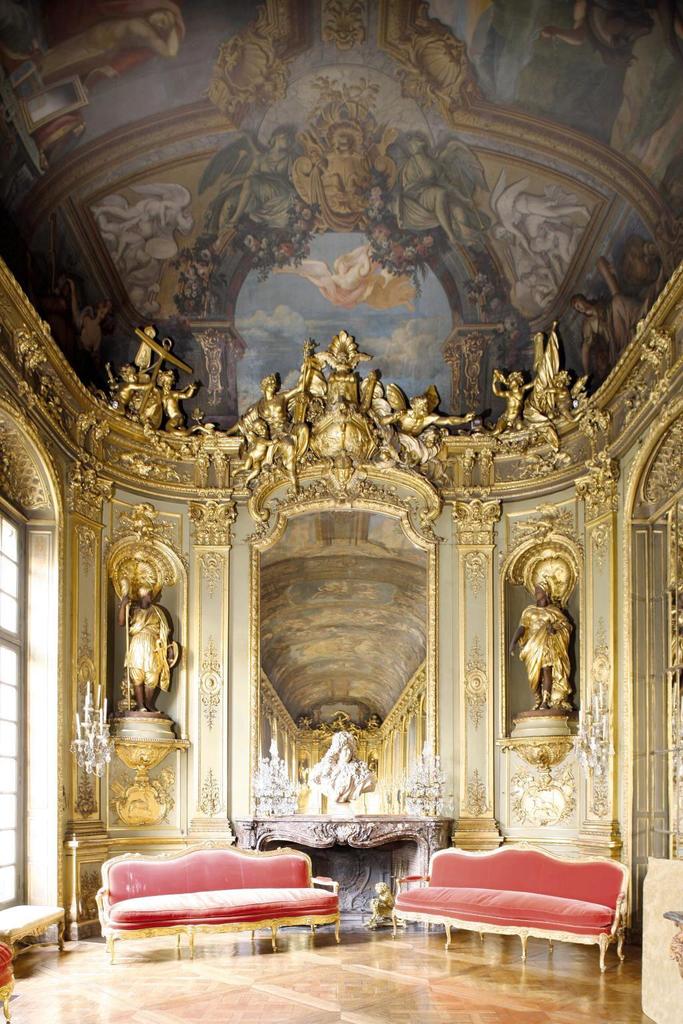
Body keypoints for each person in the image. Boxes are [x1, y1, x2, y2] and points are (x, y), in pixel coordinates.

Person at [510, 583, 573, 711]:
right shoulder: (529, 611)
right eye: (536, 590)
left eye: (539, 590)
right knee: (534, 677)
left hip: (547, 646)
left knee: (547, 671)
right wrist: (513, 642)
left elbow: (566, 626)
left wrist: (553, 629)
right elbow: (522, 627)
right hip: (532, 648)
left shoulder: (554, 611)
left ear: (546, 592)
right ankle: (538, 698)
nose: (536, 592)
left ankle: (545, 700)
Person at [118, 580, 177, 713]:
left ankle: (149, 703)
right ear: (144, 596)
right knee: (137, 674)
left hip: (153, 646)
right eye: (151, 594)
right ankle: (140, 705)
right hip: (137, 644)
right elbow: (121, 622)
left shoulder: (158, 612)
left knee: (152, 675)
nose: (156, 596)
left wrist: (170, 650)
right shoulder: (133, 610)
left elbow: (164, 632)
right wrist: (123, 604)